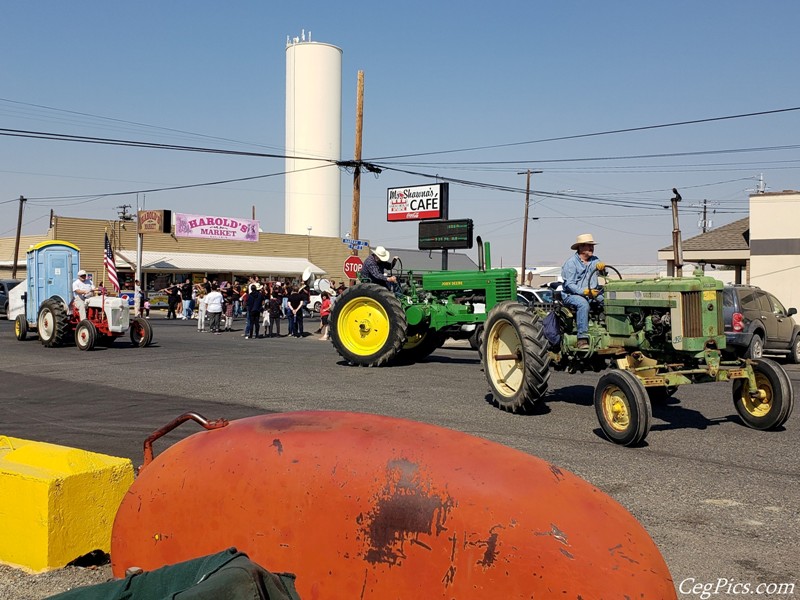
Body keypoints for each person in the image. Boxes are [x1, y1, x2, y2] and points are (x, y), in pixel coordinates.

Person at [561, 233, 604, 349]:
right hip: (572, 295)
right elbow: (569, 284)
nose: (591, 248)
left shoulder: (595, 260)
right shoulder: (571, 263)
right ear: (580, 247)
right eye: (588, 245)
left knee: (608, 301)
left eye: (592, 245)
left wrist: (603, 269)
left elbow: (603, 273)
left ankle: (608, 329)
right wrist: (585, 292)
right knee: (583, 304)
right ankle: (582, 338)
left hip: (592, 294)